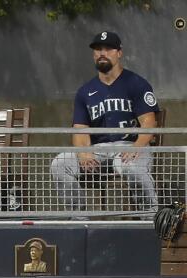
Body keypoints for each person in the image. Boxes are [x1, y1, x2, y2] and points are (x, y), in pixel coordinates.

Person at [50, 31, 159, 213]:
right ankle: (79, 220)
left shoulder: (137, 83)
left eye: (108, 49)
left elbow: (149, 122)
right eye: (98, 49)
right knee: (60, 164)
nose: (102, 53)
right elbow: (80, 130)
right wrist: (84, 153)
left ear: (119, 52)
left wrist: (138, 146)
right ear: (93, 55)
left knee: (132, 169)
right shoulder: (85, 92)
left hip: (130, 146)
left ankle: (149, 220)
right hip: (98, 152)